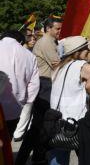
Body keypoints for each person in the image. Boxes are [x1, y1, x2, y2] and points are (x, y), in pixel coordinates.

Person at [17, 16, 63, 164]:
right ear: (48, 28)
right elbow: (57, 65)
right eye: (57, 28)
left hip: (45, 84)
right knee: (41, 124)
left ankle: (34, 157)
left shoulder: (50, 41)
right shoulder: (46, 42)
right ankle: (34, 158)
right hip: (45, 85)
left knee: (41, 125)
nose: (59, 31)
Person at [48, 36, 90, 165]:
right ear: (77, 51)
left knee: (58, 155)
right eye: (86, 48)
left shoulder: (60, 65)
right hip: (75, 120)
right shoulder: (81, 65)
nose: (88, 50)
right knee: (88, 156)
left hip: (58, 120)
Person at [0, 30, 39, 138]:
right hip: (14, 108)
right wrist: (25, 103)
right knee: (5, 143)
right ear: (21, 41)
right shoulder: (30, 56)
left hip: (11, 106)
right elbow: (34, 85)